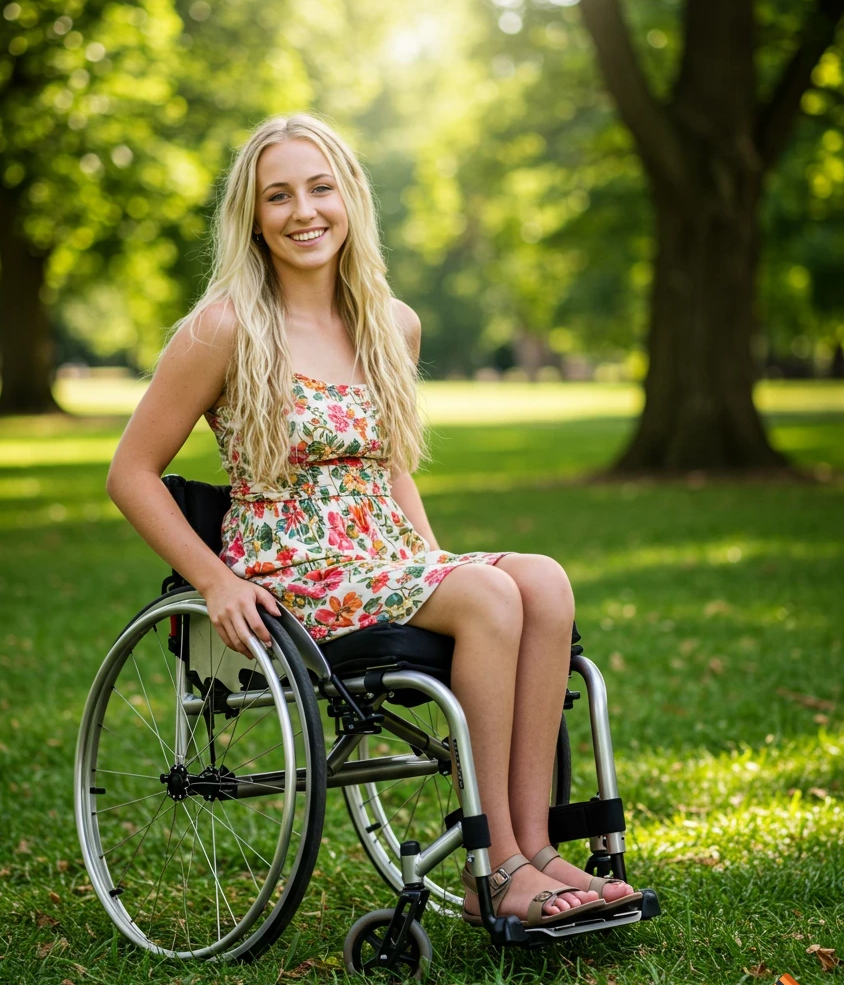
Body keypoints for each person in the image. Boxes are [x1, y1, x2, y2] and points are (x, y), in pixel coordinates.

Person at [106, 111, 638, 927]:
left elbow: (390, 469)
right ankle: (490, 868)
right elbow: (130, 473)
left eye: (320, 188)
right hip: (293, 567)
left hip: (383, 554)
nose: (303, 211)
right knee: (493, 597)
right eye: (277, 195)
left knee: (544, 581)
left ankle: (533, 851)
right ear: (252, 215)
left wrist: (436, 563)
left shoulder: (392, 322)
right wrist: (215, 580)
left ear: (350, 196)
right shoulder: (223, 329)